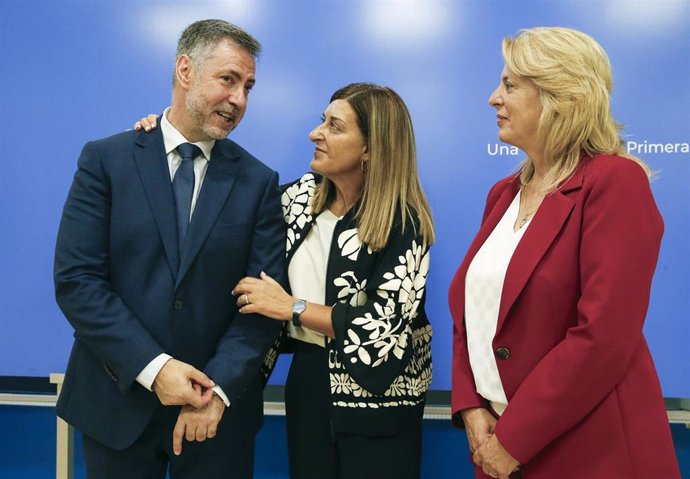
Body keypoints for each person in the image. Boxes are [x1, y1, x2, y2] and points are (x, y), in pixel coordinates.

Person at [54, 19, 285, 478]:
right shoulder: (106, 161)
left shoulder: (259, 183)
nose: (239, 100)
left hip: (214, 420)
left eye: (248, 87)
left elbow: (261, 306)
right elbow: (78, 281)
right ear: (185, 71)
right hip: (116, 406)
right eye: (228, 80)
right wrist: (155, 368)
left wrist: (215, 390)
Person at [449, 27, 680, 479]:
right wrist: (472, 407)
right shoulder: (503, 194)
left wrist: (513, 440)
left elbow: (603, 337)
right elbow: (471, 315)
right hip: (497, 448)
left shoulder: (614, 182)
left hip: (590, 450)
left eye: (510, 85)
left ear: (561, 95)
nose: (493, 98)